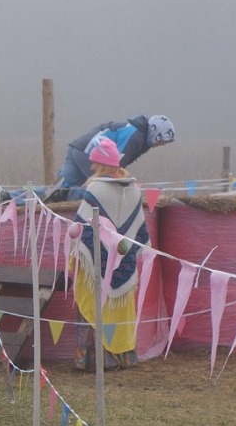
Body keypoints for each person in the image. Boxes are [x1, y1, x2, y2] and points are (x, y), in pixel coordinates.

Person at [72, 134, 149, 371]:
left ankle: (94, 360)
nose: (91, 168)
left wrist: (76, 257)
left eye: (94, 163)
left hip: (97, 265)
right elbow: (139, 234)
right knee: (120, 310)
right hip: (125, 262)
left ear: (101, 163)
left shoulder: (95, 189)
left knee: (94, 302)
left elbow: (81, 229)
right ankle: (124, 357)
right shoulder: (133, 189)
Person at [52, 113, 175, 196]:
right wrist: (127, 189)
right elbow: (115, 165)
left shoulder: (137, 134)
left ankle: (44, 196)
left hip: (77, 148)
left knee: (58, 191)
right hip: (90, 154)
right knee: (103, 190)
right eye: (162, 141)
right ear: (155, 133)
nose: (162, 144)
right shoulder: (136, 137)